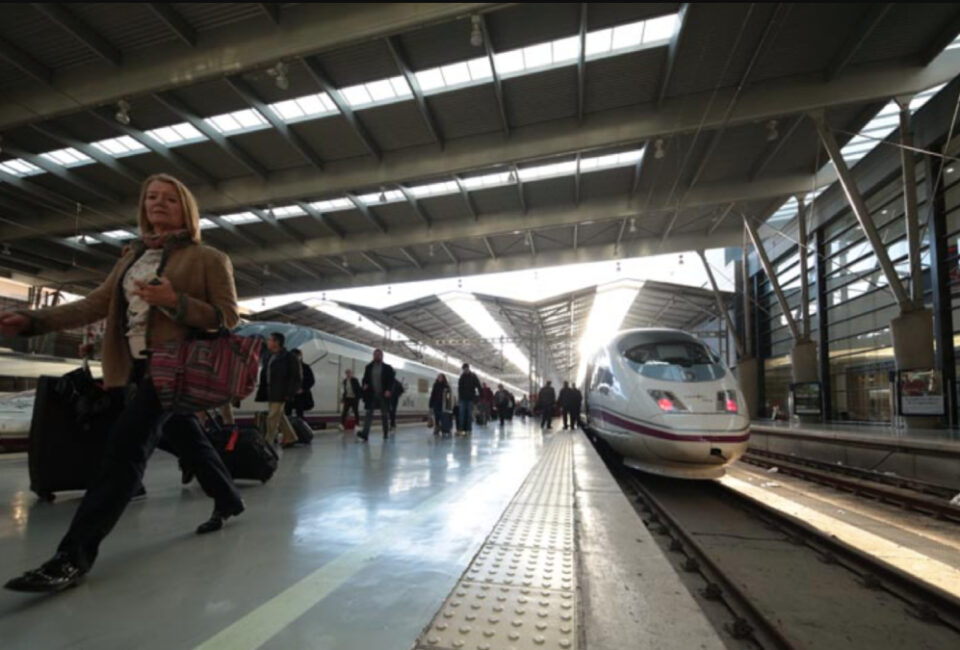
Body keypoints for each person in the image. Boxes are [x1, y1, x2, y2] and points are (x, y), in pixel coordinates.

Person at [1, 173, 245, 593]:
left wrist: (176, 302)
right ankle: (228, 498)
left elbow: (227, 316)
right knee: (188, 439)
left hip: (174, 369)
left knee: (123, 453)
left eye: (170, 198)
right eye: (151, 196)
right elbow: (95, 304)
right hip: (131, 370)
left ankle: (71, 557)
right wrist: (34, 320)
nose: (158, 203)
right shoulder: (131, 258)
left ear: (185, 207)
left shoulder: (207, 258)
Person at [255, 332, 302, 449]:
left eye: (270, 340)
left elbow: (296, 376)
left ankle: (267, 442)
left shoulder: (289, 357)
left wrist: (289, 393)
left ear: (277, 342)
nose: (268, 342)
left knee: (272, 416)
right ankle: (291, 437)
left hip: (281, 392)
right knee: (279, 416)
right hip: (271, 391)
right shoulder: (269, 356)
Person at [360, 348, 395, 441]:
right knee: (368, 415)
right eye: (376, 355)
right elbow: (365, 379)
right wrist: (364, 385)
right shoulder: (369, 367)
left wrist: (389, 390)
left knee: (384, 415)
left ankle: (385, 433)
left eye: (379, 355)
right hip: (372, 395)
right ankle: (365, 434)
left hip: (383, 395)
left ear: (382, 356)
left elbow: (391, 382)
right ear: (373, 356)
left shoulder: (388, 368)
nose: (377, 356)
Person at [285, 349, 315, 420]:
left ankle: (299, 427)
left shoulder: (305, 367)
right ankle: (288, 428)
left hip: (301, 395)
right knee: (287, 412)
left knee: (300, 413)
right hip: (289, 394)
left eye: (297, 356)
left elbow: (311, 380)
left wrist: (303, 389)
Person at [457, 363, 482, 436]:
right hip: (462, 398)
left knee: (469, 415)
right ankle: (460, 429)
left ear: (468, 368)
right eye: (464, 369)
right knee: (461, 414)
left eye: (466, 369)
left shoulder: (473, 376)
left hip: (470, 398)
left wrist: (480, 396)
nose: (465, 370)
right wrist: (459, 398)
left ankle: (469, 430)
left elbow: (478, 386)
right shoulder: (462, 377)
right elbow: (459, 388)